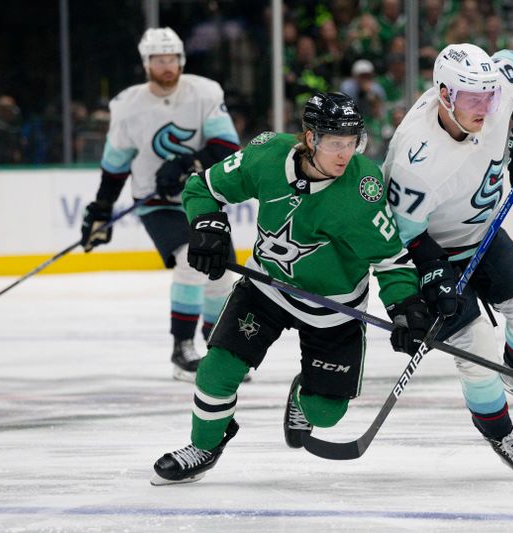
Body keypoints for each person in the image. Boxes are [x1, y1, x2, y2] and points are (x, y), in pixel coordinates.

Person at [150, 92, 428, 485]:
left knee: (325, 413)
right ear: (310, 139)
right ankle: (205, 444)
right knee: (217, 370)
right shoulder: (267, 154)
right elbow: (203, 188)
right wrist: (206, 225)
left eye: (352, 143)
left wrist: (405, 306)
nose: (344, 154)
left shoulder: (362, 189)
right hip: (268, 288)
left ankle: (304, 395)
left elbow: (390, 260)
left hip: (334, 309)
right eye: (335, 143)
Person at [382, 43, 513, 478]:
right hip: (429, 250)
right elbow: (403, 233)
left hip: (481, 233)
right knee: (478, 349)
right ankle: (501, 431)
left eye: (489, 96)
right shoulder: (415, 155)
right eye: (473, 98)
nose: (486, 107)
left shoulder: (496, 89)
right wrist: (431, 274)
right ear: (445, 95)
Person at [80, 27, 241, 382]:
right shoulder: (127, 106)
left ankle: (216, 349)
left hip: (201, 197)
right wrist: (101, 210)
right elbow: (115, 166)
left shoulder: (205, 92)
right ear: (146, 63)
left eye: (171, 59)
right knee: (189, 258)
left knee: (222, 273)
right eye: (159, 60)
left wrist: (187, 164)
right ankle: (181, 349)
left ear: (181, 60)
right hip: (157, 204)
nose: (166, 66)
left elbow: (227, 149)